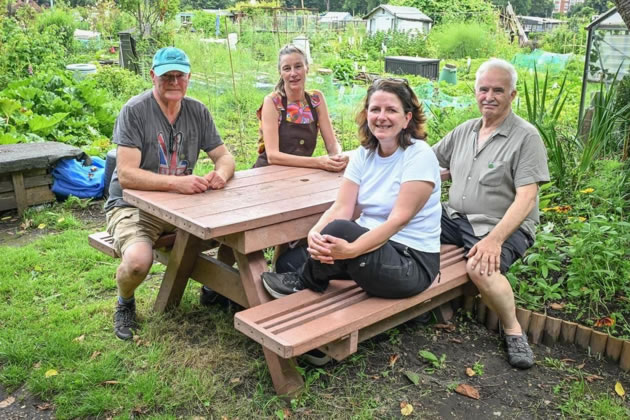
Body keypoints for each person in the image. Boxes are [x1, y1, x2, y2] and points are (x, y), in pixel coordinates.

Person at [261, 78, 442, 307]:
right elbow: (342, 207)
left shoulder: (419, 156)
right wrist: (314, 235)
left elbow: (398, 221)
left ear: (407, 118)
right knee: (289, 260)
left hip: (409, 262)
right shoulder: (364, 155)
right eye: (375, 109)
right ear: (367, 114)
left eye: (391, 110)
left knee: (339, 230)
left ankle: (303, 281)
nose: (381, 116)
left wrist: (351, 250)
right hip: (370, 249)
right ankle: (304, 276)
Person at [200, 44, 350, 303]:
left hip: (302, 178)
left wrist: (336, 155)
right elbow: (273, 155)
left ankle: (278, 277)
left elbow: (330, 140)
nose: (293, 73)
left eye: (298, 66)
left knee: (294, 227)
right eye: (287, 68)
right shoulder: (273, 102)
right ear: (280, 73)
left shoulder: (316, 100)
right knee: (243, 230)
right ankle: (216, 285)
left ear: (307, 68)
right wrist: (318, 162)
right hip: (269, 177)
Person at [104, 47, 235, 340]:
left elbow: (225, 157)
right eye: (167, 76)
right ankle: (125, 302)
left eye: (179, 75)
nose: (174, 81)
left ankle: (215, 290)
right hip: (133, 205)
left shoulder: (197, 110)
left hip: (182, 205)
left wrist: (220, 175)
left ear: (188, 77)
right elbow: (126, 175)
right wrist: (178, 183)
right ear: (153, 76)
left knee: (241, 230)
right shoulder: (134, 111)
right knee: (138, 261)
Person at [432, 58, 550, 369]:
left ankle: (513, 330)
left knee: (480, 269)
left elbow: (527, 198)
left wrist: (495, 240)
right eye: (483, 89)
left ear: (512, 95)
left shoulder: (526, 137)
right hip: (456, 218)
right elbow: (429, 162)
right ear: (475, 92)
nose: (489, 96)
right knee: (405, 226)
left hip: (501, 226)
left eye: (498, 90)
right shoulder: (465, 131)